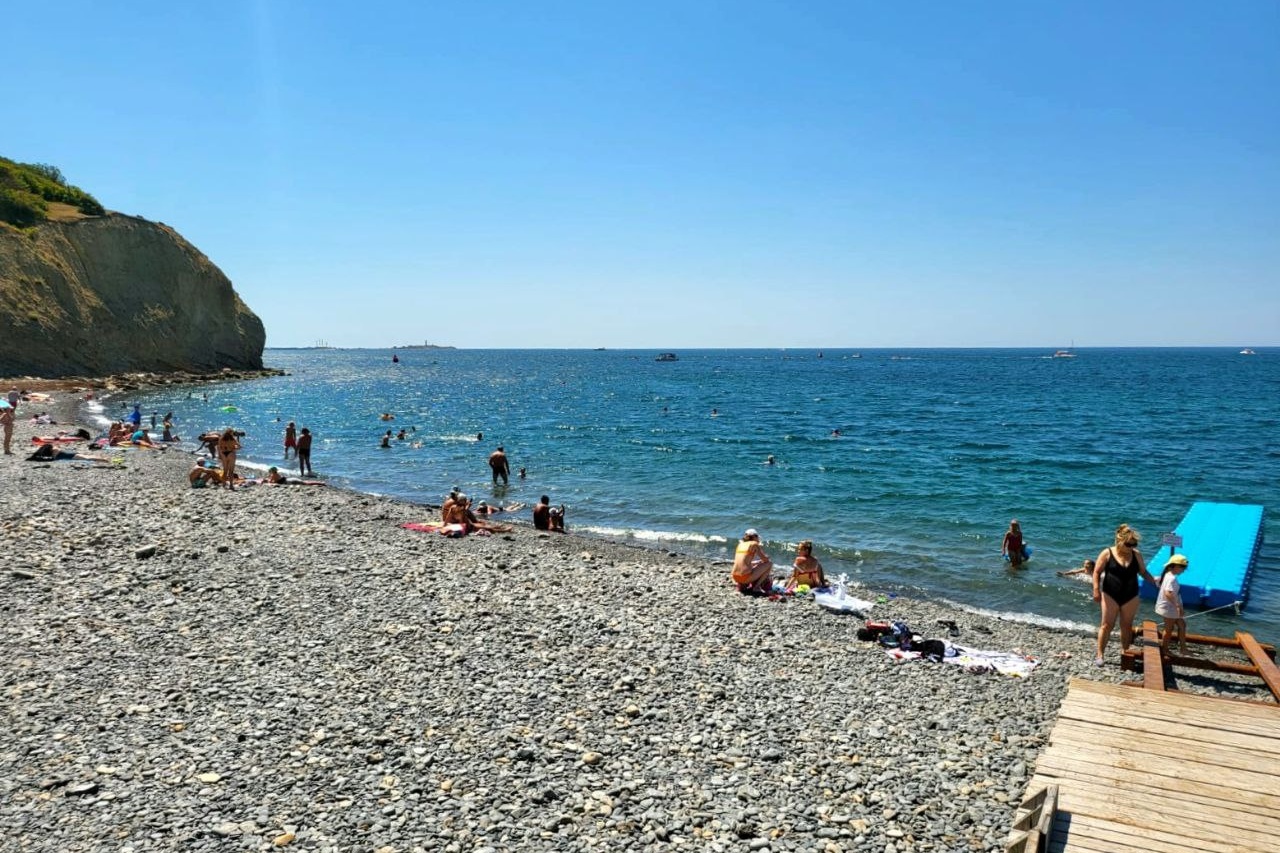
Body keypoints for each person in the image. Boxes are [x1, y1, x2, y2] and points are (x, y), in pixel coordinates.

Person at [1092, 523, 1158, 666]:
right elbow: (1096, 572)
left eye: (1134, 544)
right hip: (1110, 594)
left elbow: (1143, 572)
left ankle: (1125, 651)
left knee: (1126, 626)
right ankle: (1100, 654)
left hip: (1131, 595)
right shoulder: (1107, 553)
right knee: (1106, 625)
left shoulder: (1136, 554)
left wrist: (1155, 582)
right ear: (1119, 541)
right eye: (1129, 544)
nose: (1132, 547)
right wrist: (1096, 589)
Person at [1156, 554, 1189, 655]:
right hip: (1169, 608)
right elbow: (1168, 593)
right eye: (1182, 567)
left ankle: (1183, 649)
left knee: (1182, 625)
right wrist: (1178, 606)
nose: (1184, 570)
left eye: (1185, 567)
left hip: (1170, 607)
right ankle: (1164, 649)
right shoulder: (1172, 578)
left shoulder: (1168, 575)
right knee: (1169, 629)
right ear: (1174, 566)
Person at [733, 529, 773, 595]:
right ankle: (756, 587)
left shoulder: (740, 544)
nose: (758, 539)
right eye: (757, 537)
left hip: (735, 577)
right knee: (769, 564)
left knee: (754, 566)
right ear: (754, 537)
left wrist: (757, 562)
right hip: (744, 577)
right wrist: (766, 558)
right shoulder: (754, 544)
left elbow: (743, 562)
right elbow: (765, 560)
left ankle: (741, 585)